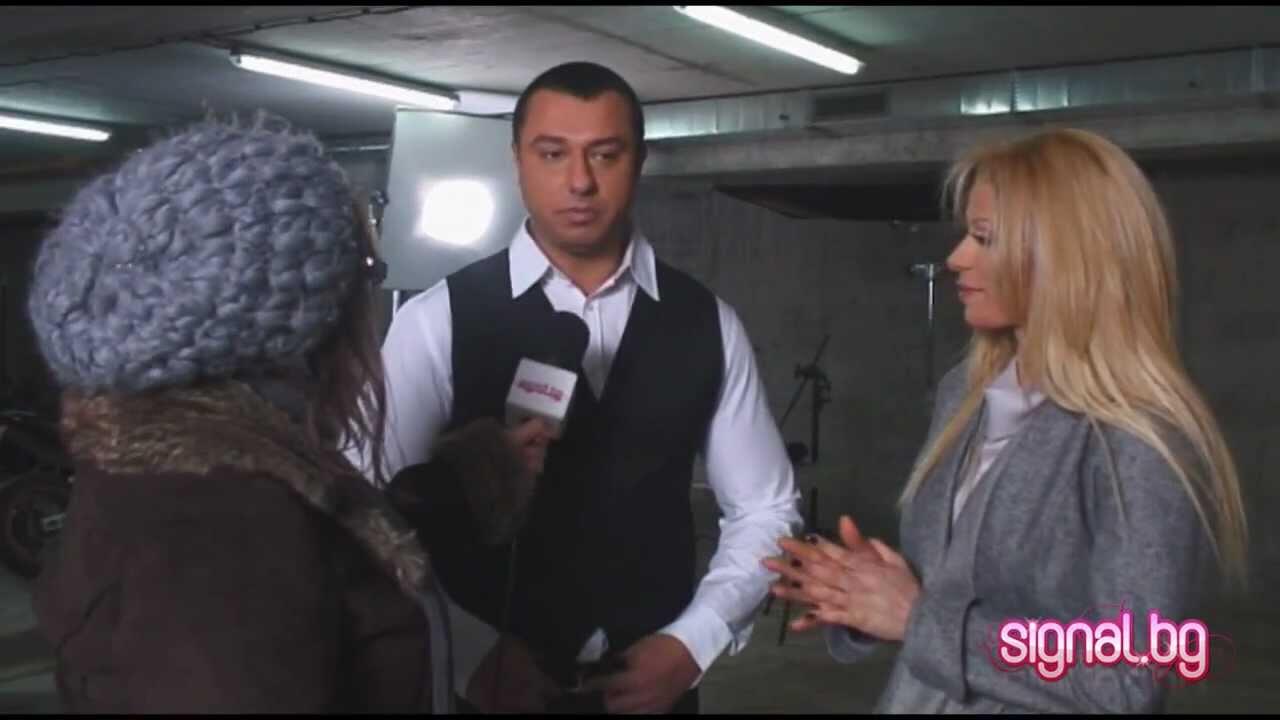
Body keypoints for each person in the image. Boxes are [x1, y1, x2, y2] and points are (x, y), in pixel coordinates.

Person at [27, 114, 549, 713]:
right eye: (366, 274)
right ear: (293, 329)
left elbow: (322, 556)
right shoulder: (212, 528)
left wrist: (467, 479)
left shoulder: (198, 481)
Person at [764, 127, 1249, 713]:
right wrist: (864, 594)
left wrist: (916, 616)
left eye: (984, 238)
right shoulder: (964, 394)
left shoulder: (1138, 440)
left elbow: (1128, 680)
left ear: (1064, 256)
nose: (955, 258)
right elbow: (951, 597)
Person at [372, 61, 802, 714]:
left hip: (655, 690)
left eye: (605, 154)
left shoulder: (707, 323)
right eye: (553, 154)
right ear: (517, 160)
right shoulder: (435, 320)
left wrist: (693, 642)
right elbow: (369, 515)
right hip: (482, 693)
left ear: (639, 161)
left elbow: (766, 508)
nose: (579, 181)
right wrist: (469, 650)